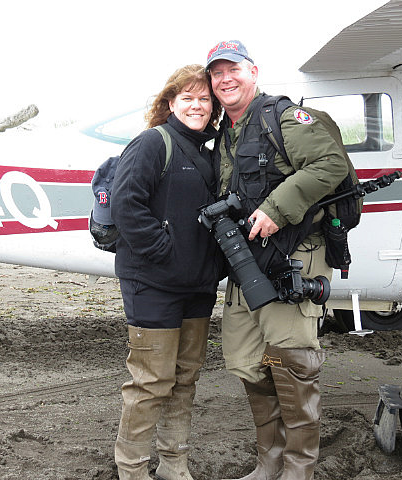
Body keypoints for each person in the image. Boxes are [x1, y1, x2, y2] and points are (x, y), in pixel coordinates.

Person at [205, 41, 349, 480]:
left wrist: (274, 209)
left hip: (293, 257)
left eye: (233, 69)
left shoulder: (283, 118)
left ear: (253, 72)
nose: (225, 79)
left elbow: (330, 164)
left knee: (292, 361)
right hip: (246, 264)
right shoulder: (225, 134)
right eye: (217, 73)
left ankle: (298, 469)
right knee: (246, 358)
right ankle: (269, 461)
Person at [110, 64, 224, 480]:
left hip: (198, 287)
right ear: (171, 102)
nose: (197, 106)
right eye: (187, 98)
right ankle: (132, 470)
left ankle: (174, 465)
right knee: (151, 381)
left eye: (204, 99)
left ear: (214, 106)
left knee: (185, 379)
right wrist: (164, 252)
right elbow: (126, 204)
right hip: (153, 284)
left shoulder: (210, 152)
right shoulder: (152, 143)